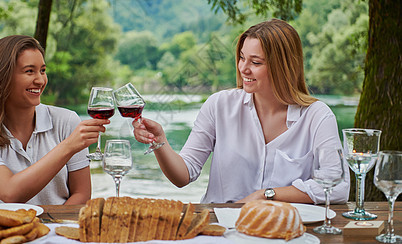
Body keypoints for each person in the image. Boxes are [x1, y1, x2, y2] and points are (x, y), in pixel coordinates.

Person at [133, 19, 350, 204]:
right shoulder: (219, 105)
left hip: (280, 233)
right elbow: (184, 175)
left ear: (284, 67)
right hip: (219, 230)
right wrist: (159, 141)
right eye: (242, 58)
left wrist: (266, 195)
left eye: (255, 62)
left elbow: (338, 185)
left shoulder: (317, 116)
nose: (243, 68)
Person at [0, 35, 109, 205]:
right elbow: (10, 192)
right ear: (2, 78)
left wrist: (55, 228)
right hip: (10, 231)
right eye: (29, 71)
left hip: (58, 229)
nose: (40, 80)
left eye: (43, 70)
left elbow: (81, 194)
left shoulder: (66, 121)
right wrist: (68, 146)